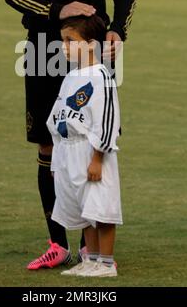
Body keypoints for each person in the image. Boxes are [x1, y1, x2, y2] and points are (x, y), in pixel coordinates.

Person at [2, 0, 137, 270]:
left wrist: (118, 29)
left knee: (94, 143)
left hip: (94, 53)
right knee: (50, 143)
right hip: (42, 47)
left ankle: (89, 246)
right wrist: (57, 11)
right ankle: (56, 241)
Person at [47, 15, 122, 278]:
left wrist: (98, 157)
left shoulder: (102, 77)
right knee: (83, 211)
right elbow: (58, 118)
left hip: (91, 152)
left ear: (91, 44)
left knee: (100, 207)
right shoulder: (70, 77)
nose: (64, 46)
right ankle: (90, 260)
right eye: (63, 41)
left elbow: (108, 121)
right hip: (69, 152)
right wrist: (58, 160)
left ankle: (106, 263)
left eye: (70, 41)